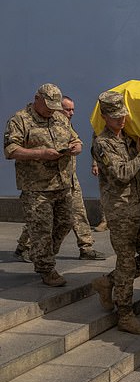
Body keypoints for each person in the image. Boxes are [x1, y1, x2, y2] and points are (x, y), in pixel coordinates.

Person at [90, 91, 140, 335]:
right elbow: (121, 174)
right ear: (105, 117)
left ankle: (107, 282)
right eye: (116, 117)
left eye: (124, 115)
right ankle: (125, 315)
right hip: (120, 212)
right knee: (127, 262)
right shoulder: (102, 143)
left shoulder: (129, 139)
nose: (122, 120)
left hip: (139, 207)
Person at [4, 83, 82, 286]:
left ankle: (42, 254)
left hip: (62, 183)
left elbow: (77, 139)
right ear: (37, 98)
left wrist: (76, 147)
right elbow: (11, 150)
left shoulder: (59, 118)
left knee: (65, 223)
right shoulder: (20, 119)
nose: (51, 110)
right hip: (36, 187)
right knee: (41, 229)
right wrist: (41, 153)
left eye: (55, 106)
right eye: (48, 106)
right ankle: (46, 268)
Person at [14, 96, 106, 262]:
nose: (71, 113)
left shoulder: (65, 125)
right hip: (47, 182)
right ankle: (24, 247)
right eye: (67, 109)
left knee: (77, 212)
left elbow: (78, 142)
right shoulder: (34, 123)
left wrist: (76, 147)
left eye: (72, 110)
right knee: (39, 219)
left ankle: (86, 247)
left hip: (69, 177)